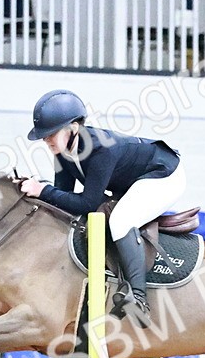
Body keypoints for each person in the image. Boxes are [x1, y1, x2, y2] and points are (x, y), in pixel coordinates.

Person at [18, 89, 185, 327]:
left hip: (164, 175)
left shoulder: (100, 150)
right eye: (44, 136)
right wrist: (33, 193)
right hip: (134, 179)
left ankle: (139, 299)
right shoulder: (63, 151)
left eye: (51, 134)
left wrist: (41, 190)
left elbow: (88, 203)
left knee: (120, 220)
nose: (47, 140)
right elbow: (63, 197)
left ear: (74, 127)